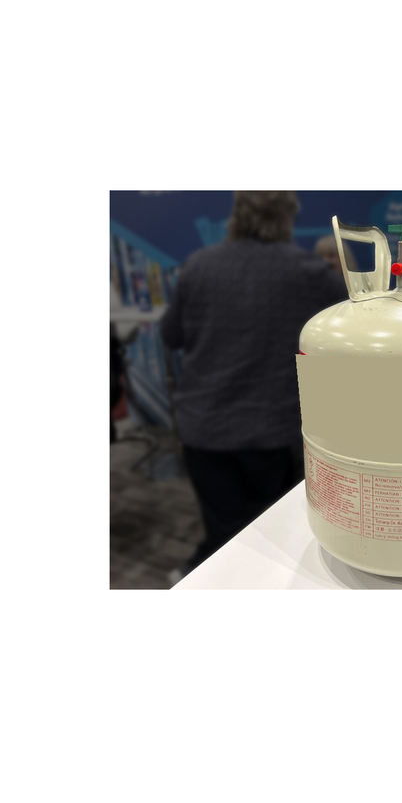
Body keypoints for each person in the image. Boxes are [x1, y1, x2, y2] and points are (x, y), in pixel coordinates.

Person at [160, 191, 346, 576]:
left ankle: (211, 574)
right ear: (287, 219)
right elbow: (346, 334)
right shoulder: (311, 273)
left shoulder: (198, 266)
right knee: (275, 534)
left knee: (223, 527)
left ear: (236, 216)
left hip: (205, 427)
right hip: (274, 432)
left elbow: (170, 334)